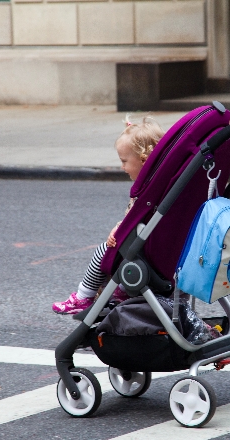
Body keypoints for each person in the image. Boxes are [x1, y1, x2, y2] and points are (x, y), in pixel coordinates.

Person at [52, 116, 166, 314]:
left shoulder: (147, 192)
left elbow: (141, 219)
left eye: (124, 161)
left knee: (103, 251)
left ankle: (83, 296)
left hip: (142, 249)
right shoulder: (159, 186)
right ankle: (115, 291)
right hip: (152, 246)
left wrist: (121, 230)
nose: (122, 167)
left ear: (143, 159)